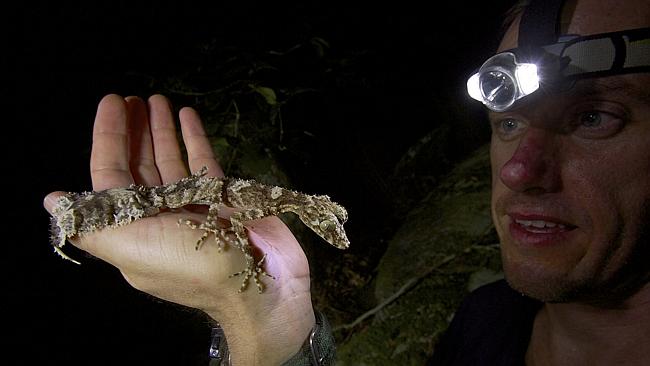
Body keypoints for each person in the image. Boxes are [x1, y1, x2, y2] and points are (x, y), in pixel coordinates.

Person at [43, 0, 650, 364]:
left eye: (595, 116)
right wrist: (260, 318)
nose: (518, 169)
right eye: (509, 121)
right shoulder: (488, 324)